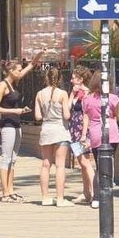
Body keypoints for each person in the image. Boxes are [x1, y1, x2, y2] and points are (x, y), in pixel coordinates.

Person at [0, 50, 44, 203]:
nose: (21, 72)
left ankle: (11, 190)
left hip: (16, 124)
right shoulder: (3, 85)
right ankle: (4, 193)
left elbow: (32, 66)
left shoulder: (14, 83)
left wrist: (39, 54)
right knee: (6, 158)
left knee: (13, 159)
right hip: (7, 124)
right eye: (18, 70)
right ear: (11, 71)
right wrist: (15, 110)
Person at [81, 70, 119, 209]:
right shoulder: (113, 98)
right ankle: (105, 194)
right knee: (108, 163)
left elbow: (86, 115)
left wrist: (83, 134)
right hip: (111, 131)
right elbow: (117, 115)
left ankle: (97, 197)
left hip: (95, 132)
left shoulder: (87, 99)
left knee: (99, 166)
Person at [35, 67, 73, 206]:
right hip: (60, 129)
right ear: (60, 78)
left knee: (46, 164)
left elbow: (38, 116)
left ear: (46, 78)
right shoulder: (62, 94)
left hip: (46, 129)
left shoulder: (39, 94)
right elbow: (67, 115)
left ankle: (45, 197)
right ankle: (60, 198)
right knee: (60, 165)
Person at [69, 65, 94, 204]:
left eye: (74, 78)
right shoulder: (75, 92)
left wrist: (84, 134)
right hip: (74, 129)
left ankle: (94, 192)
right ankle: (86, 192)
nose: (71, 80)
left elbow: (86, 115)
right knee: (81, 162)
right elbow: (67, 109)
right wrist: (72, 94)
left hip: (82, 130)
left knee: (85, 162)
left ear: (81, 79)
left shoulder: (87, 94)